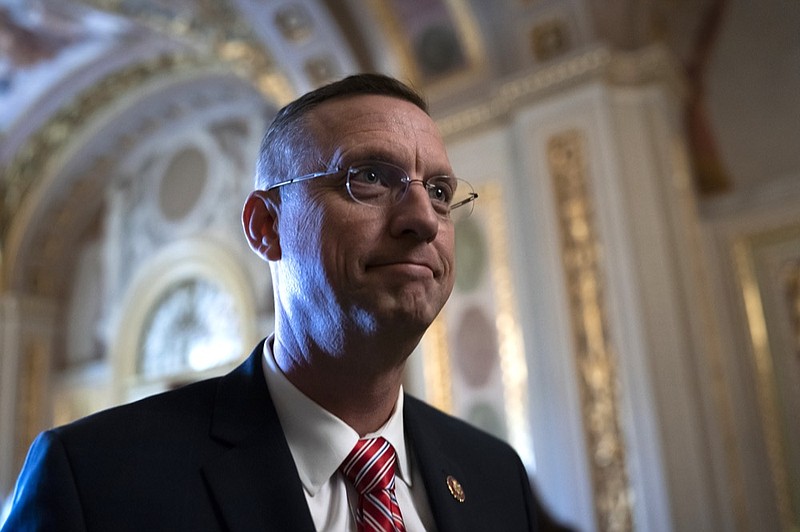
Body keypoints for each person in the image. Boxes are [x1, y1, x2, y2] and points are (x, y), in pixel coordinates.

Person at [2, 73, 570, 531]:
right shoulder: (95, 481)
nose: (423, 218)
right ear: (265, 226)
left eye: (440, 191)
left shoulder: (495, 477)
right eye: (369, 177)